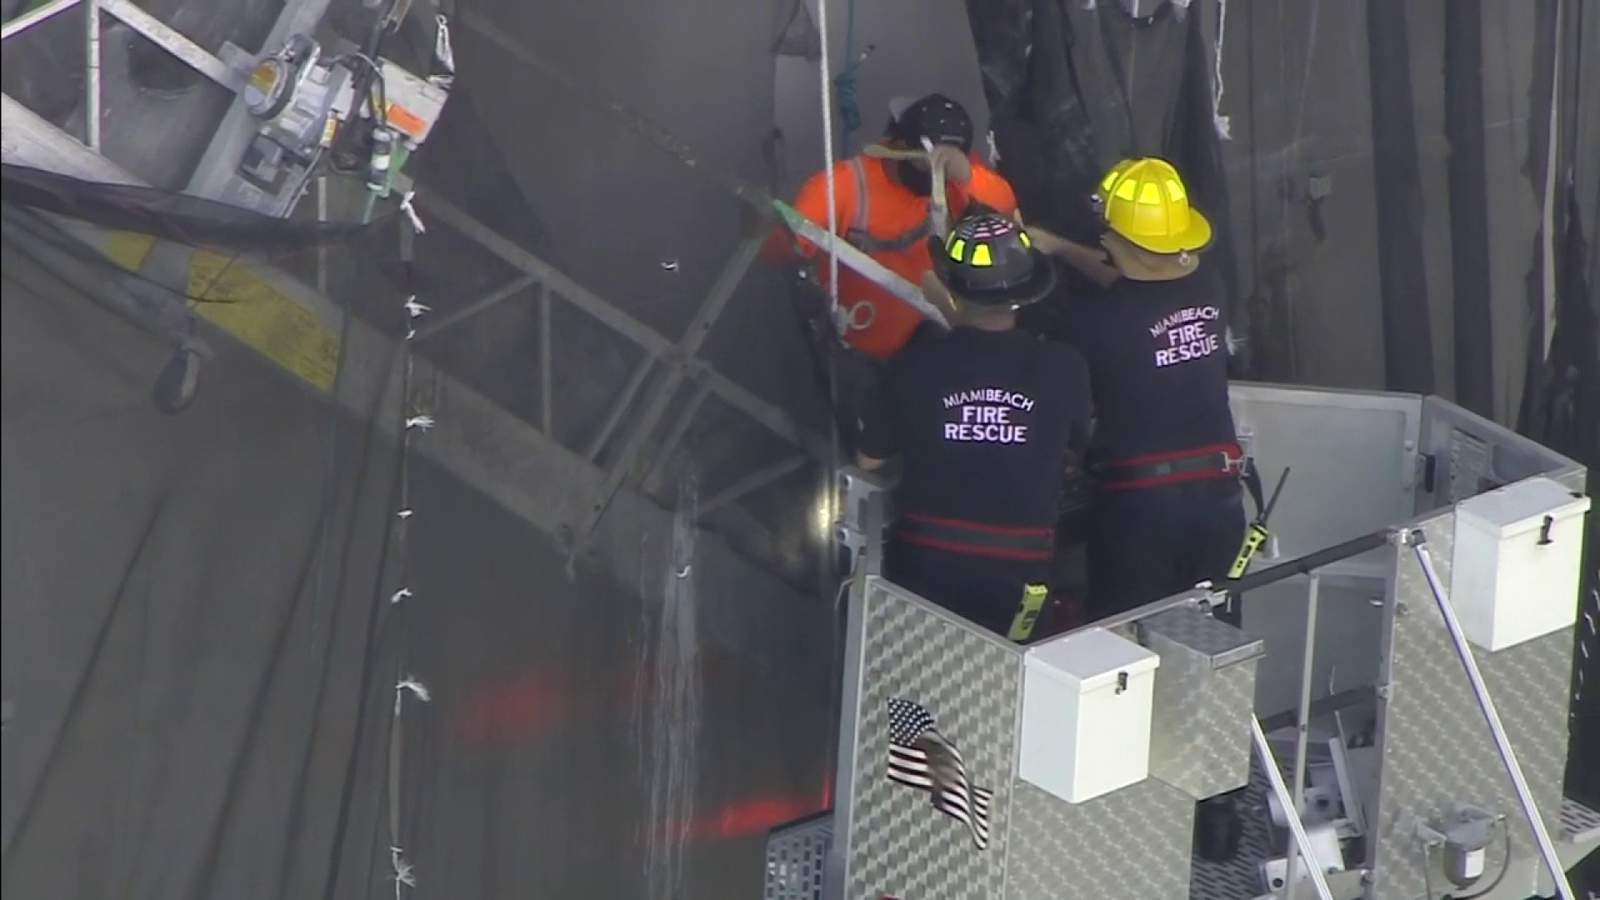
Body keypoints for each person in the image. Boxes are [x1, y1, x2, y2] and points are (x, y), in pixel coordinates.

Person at [1026, 157, 1246, 619]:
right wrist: (1063, 248)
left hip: (1141, 510)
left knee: (1128, 646)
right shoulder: (1208, 284)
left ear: (1113, 239)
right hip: (1219, 501)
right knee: (1210, 640)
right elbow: (1139, 280)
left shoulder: (1091, 323)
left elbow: (1052, 379)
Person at [856, 212, 1092, 637]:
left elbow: (869, 458)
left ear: (949, 285)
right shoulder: (1063, 368)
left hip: (926, 572)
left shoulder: (914, 366)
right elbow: (1077, 441)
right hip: (1022, 577)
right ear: (1028, 289)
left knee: (924, 686)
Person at [768, 93, 1022, 361]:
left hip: (935, 337)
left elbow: (1004, 216)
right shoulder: (843, 187)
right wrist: (765, 229)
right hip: (861, 344)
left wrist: (967, 178)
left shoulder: (959, 180)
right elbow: (779, 247)